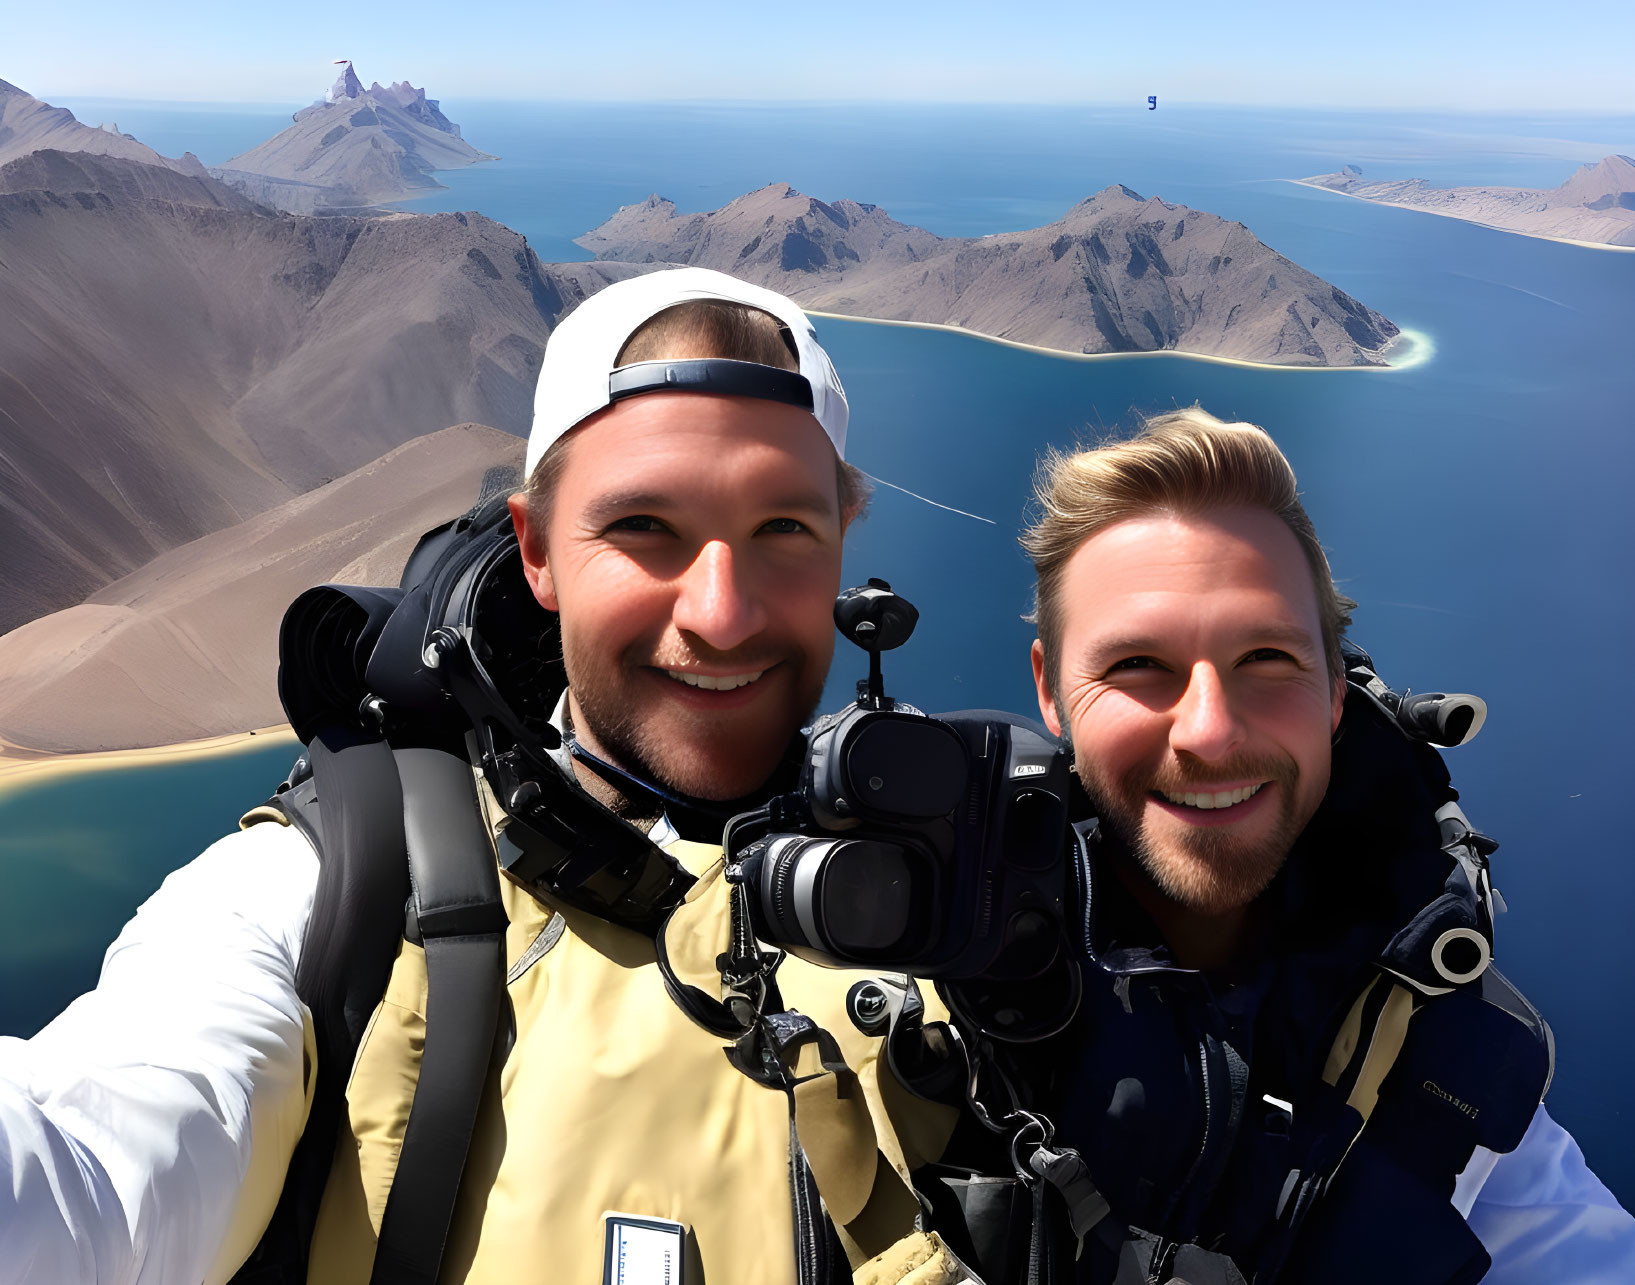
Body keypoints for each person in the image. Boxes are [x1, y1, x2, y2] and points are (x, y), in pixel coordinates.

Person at [0, 267, 971, 1284]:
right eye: (644, 527)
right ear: (537, 549)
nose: (720, 614)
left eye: (784, 530)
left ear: (844, 544)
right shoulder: (343, 888)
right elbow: (103, 1167)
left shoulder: (962, 902)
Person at [1017, 407, 1635, 1283]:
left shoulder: (1444, 1064)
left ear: (1336, 694)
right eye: (1136, 666)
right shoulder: (911, 993)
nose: (1210, 731)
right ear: (1050, 690)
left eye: (1267, 658)